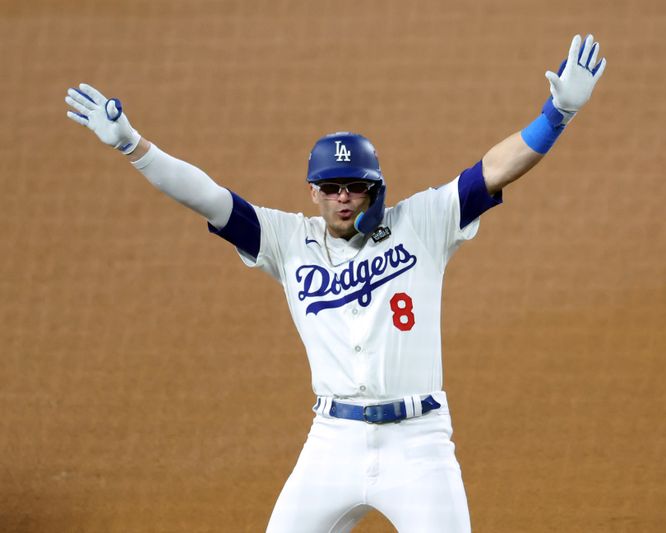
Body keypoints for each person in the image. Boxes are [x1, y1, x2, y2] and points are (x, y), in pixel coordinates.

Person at [65, 34, 606, 533]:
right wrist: (134, 146)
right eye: (331, 187)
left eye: (354, 186)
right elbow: (205, 196)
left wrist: (555, 115)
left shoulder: (423, 222)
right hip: (332, 442)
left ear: (374, 190)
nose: (343, 197)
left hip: (419, 444)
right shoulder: (284, 239)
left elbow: (493, 169)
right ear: (313, 192)